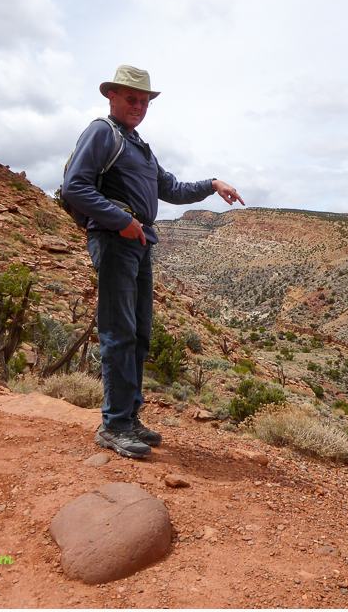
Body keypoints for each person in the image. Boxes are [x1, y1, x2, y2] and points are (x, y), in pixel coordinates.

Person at [62, 64, 245, 459]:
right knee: (118, 330)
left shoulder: (138, 145)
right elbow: (74, 187)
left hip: (140, 241)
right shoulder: (101, 133)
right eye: (132, 98)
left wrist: (212, 185)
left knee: (139, 333)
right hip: (115, 240)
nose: (139, 105)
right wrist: (122, 221)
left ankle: (129, 417)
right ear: (112, 96)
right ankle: (113, 424)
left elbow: (171, 189)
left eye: (144, 100)